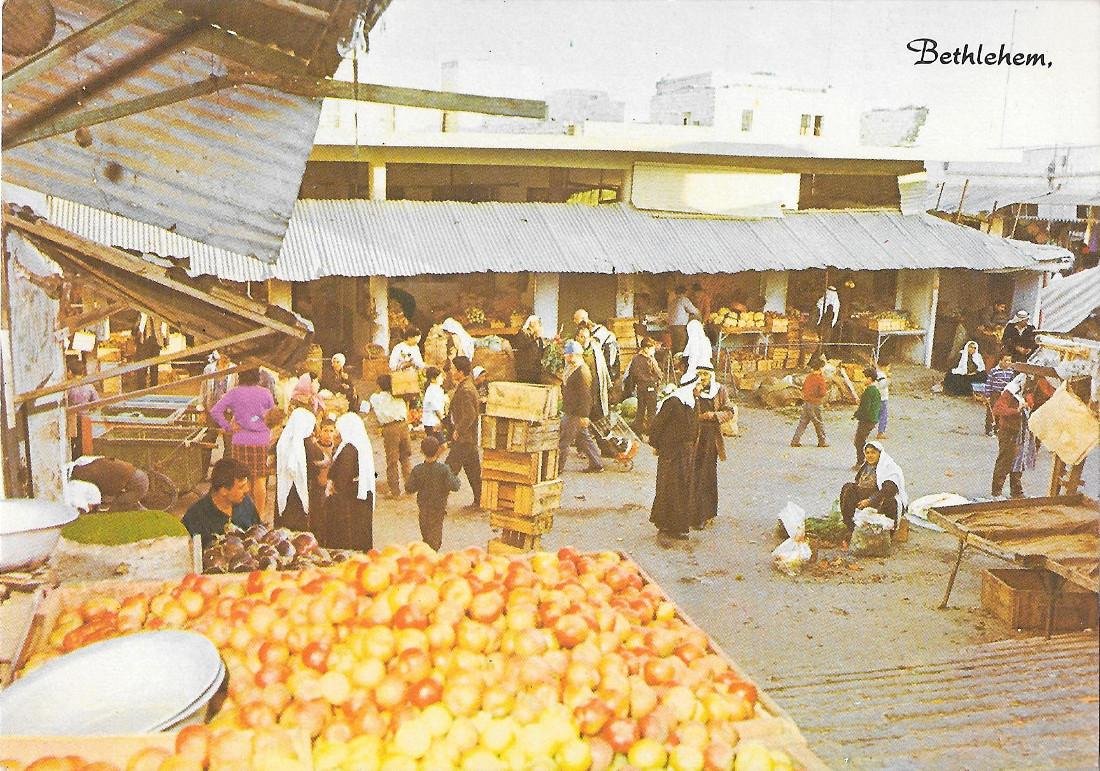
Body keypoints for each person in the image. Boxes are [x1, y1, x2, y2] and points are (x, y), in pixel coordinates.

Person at [209, 368, 275, 522]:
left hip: (240, 440)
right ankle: (260, 515)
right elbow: (273, 416)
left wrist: (228, 426)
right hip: (261, 440)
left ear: (240, 377)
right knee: (259, 479)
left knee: (242, 480)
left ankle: (246, 515)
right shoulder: (265, 393)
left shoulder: (233, 393)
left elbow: (215, 411)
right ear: (257, 377)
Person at [649, 372, 699, 539]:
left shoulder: (691, 402)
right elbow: (658, 424)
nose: (699, 388)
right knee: (669, 487)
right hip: (671, 452)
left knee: (682, 487)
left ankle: (677, 525)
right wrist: (655, 444)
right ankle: (666, 525)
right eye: (697, 385)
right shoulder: (673, 402)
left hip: (685, 452)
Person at [182, 458, 259, 548]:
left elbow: (258, 531)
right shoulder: (195, 516)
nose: (247, 490)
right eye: (241, 487)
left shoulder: (245, 502)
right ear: (223, 490)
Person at [690, 365, 733, 530]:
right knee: (692, 474)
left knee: (706, 476)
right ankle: (690, 514)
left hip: (710, 439)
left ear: (711, 375)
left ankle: (705, 514)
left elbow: (729, 411)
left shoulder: (720, 390)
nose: (703, 377)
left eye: (705, 374)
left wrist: (714, 416)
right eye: (699, 374)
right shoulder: (692, 389)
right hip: (694, 436)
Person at [327, 412, 375, 551]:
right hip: (361, 496)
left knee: (351, 538)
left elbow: (342, 478)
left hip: (350, 500)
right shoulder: (360, 444)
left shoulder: (349, 449)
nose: (336, 433)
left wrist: (332, 486)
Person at [405, 436, 462, 551]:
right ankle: (430, 558)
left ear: (421, 451)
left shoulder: (418, 469)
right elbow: (455, 486)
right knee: (435, 539)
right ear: (438, 451)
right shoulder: (444, 469)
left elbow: (409, 488)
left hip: (423, 508)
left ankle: (426, 554)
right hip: (438, 508)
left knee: (426, 536)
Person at [839, 441, 908, 534]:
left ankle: (889, 533)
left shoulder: (888, 467)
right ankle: (849, 526)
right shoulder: (866, 466)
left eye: (873, 453)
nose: (870, 455)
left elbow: (889, 490)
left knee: (891, 501)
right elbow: (858, 482)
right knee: (848, 488)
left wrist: (870, 501)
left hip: (881, 500)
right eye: (867, 453)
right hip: (865, 499)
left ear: (880, 453)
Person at [559, 340, 605, 473]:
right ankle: (597, 464)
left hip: (575, 411)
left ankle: (557, 468)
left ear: (574, 355)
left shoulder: (582, 371)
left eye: (567, 354)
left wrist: (585, 415)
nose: (565, 356)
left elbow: (586, 396)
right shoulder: (572, 368)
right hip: (572, 409)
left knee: (564, 441)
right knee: (583, 438)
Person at [991, 373, 1037, 498]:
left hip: (1020, 432)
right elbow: (998, 409)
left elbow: (1030, 402)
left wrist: (1028, 404)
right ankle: (996, 492)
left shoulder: (1025, 393)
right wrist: (1016, 410)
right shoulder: (1010, 392)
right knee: (1005, 461)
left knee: (1018, 461)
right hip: (1008, 431)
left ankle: (1016, 491)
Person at [445, 356, 482, 507]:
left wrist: (458, 430)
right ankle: (480, 501)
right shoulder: (467, 386)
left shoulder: (465, 390)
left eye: (454, 369)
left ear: (460, 372)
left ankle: (438, 505)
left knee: (447, 471)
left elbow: (470, 415)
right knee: (473, 473)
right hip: (469, 439)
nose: (451, 372)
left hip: (463, 439)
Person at [369, 374, 413, 498]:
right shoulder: (399, 396)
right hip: (403, 426)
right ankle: (409, 488)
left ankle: (395, 491)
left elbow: (373, 402)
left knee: (392, 460)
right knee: (405, 458)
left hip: (390, 429)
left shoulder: (376, 398)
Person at [274, 408, 317, 532]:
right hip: (299, 491)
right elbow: (315, 465)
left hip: (283, 488)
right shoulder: (307, 442)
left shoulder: (283, 440)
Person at [69, 456, 149, 510]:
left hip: (138, 482)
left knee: (119, 503)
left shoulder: (92, 473)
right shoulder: (96, 463)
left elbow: (110, 496)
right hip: (139, 475)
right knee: (123, 501)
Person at [623, 337, 662, 437]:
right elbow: (658, 373)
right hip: (650, 387)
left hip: (640, 388)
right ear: (646, 348)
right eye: (652, 348)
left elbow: (632, 373)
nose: (653, 351)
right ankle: (651, 432)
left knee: (640, 410)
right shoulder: (650, 360)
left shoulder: (635, 359)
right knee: (651, 411)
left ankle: (638, 431)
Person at [305, 417, 336, 542]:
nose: (328, 434)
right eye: (325, 430)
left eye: (331, 431)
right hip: (316, 489)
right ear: (320, 431)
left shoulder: (338, 449)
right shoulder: (314, 448)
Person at [790, 356, 829, 447]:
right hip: (815, 403)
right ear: (820, 368)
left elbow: (804, 389)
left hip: (806, 403)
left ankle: (795, 440)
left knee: (802, 423)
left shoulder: (808, 377)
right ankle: (822, 442)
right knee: (818, 423)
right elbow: (823, 393)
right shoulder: (820, 379)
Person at [575, 324, 611, 423]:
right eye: (582, 337)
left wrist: (608, 384)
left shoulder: (596, 351)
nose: (585, 339)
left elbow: (603, 368)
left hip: (596, 388)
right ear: (577, 337)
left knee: (598, 417)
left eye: (587, 337)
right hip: (582, 390)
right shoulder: (574, 353)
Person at [65, 360, 100, 458]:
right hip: (85, 419)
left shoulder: (68, 387)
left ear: (70, 372)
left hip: (71, 420)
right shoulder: (89, 386)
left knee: (70, 445)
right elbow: (97, 403)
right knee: (82, 445)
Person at [574, 309, 621, 381]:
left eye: (578, 321)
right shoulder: (588, 331)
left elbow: (592, 346)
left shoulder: (599, 331)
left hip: (609, 352)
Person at [852, 369, 882, 469]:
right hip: (872, 419)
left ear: (869, 379)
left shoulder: (869, 391)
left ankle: (862, 462)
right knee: (861, 440)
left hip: (867, 419)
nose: (862, 380)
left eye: (863, 378)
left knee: (859, 441)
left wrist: (857, 414)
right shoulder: (875, 390)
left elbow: (865, 408)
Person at [983, 353, 1017, 436]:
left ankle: (998, 429)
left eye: (1009, 361)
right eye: (1005, 361)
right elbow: (988, 383)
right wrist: (987, 395)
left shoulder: (1011, 371)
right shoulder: (994, 371)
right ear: (1000, 360)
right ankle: (989, 429)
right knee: (992, 411)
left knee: (1002, 410)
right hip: (995, 393)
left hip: (1005, 395)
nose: (1007, 363)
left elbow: (1012, 383)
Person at [667, 285, 700, 356]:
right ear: (684, 292)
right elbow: (694, 311)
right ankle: (678, 364)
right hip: (680, 326)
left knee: (675, 346)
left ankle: (674, 363)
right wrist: (699, 313)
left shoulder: (674, 301)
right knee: (680, 347)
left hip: (672, 326)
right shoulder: (684, 300)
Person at [514, 315, 546, 384]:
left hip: (536, 370)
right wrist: (535, 338)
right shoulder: (522, 333)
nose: (539, 326)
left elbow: (540, 352)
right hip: (525, 369)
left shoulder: (538, 337)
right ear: (532, 324)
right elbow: (521, 345)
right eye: (538, 323)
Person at [420, 366, 448, 440]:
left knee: (437, 445)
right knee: (441, 444)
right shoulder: (431, 390)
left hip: (435, 421)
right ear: (433, 379)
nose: (442, 379)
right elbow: (436, 408)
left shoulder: (438, 389)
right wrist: (443, 420)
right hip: (431, 422)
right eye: (440, 377)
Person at [814, 285, 841, 352]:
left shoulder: (836, 304)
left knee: (825, 341)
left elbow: (836, 315)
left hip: (828, 326)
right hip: (820, 325)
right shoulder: (821, 302)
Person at [874, 369, 890, 440]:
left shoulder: (875, 373)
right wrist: (888, 381)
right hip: (882, 398)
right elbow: (882, 385)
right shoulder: (882, 375)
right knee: (883, 415)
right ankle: (881, 432)